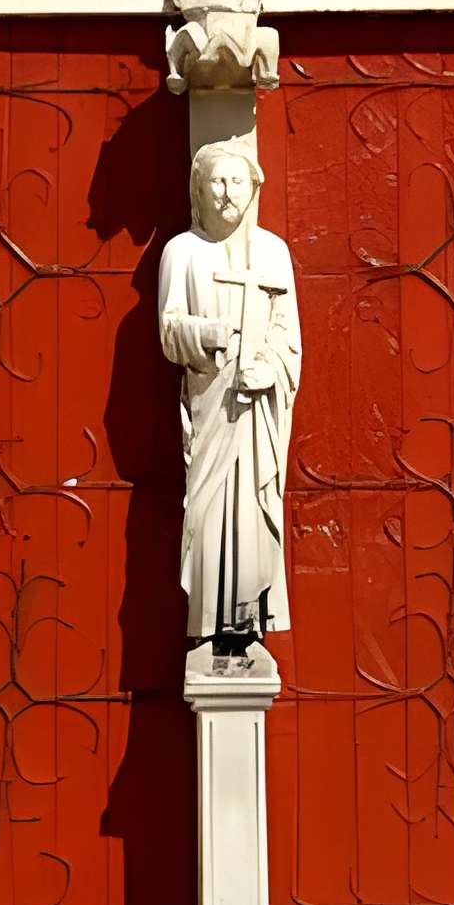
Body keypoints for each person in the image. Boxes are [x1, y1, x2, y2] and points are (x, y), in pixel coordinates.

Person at [157, 139, 301, 653]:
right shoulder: (182, 251)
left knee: (253, 506)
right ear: (198, 190)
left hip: (256, 410)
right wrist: (211, 334)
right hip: (212, 405)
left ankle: (248, 619)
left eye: (236, 181)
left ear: (253, 187)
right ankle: (209, 617)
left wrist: (269, 369)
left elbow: (288, 334)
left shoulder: (273, 252)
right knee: (207, 508)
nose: (226, 193)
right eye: (216, 182)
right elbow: (169, 329)